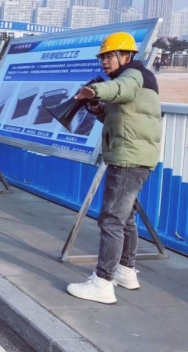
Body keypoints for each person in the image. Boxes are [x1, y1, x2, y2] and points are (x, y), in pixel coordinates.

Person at [67, 32, 162, 304]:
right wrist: (99, 110)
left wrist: (96, 90)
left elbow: (121, 88)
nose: (105, 62)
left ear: (126, 56)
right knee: (126, 217)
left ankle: (102, 282)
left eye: (110, 56)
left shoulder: (133, 75)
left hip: (127, 159)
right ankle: (125, 271)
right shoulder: (137, 79)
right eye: (103, 57)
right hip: (137, 157)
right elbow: (121, 118)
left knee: (111, 220)